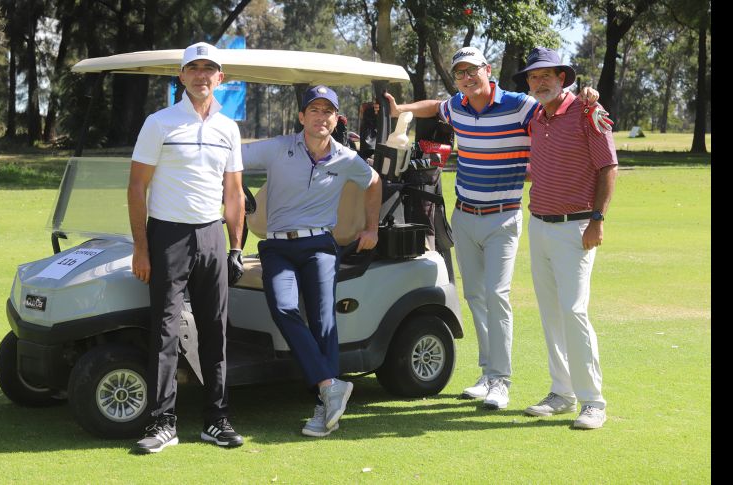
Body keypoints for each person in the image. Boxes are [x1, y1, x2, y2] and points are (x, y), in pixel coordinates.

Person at [384, 46, 599, 411]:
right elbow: (435, 106)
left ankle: (501, 381)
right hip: (465, 216)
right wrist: (401, 109)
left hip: (505, 216)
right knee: (475, 297)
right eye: (460, 73)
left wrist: (586, 95)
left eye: (473, 71)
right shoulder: (458, 106)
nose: (467, 78)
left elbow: (557, 107)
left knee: (497, 295)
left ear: (488, 71)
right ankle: (488, 373)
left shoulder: (520, 105)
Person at [241, 85, 381, 437]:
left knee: (323, 320)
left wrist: (372, 227)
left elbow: (374, 181)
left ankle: (324, 406)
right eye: (314, 111)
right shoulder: (278, 148)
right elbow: (232, 157)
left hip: (319, 244)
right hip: (276, 247)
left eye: (328, 111)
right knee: (284, 308)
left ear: (336, 119)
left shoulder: (346, 158)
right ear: (302, 117)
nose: (321, 117)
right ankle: (330, 386)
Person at [128, 41, 246, 453]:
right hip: (167, 236)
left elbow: (234, 194)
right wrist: (141, 248)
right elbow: (137, 187)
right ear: (181, 76)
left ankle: (216, 419)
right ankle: (162, 423)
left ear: (220, 78)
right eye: (192, 68)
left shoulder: (228, 128)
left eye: (208, 69)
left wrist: (235, 246)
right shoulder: (159, 123)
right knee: (165, 329)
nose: (201, 75)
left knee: (215, 329)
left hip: (212, 235)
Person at [514, 47, 617, 429]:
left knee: (574, 311)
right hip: (539, 224)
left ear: (563, 78)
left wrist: (598, 219)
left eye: (546, 76)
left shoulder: (589, 111)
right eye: (533, 77)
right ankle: (562, 392)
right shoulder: (537, 116)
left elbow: (607, 167)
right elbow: (546, 164)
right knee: (551, 313)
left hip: (576, 226)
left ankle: (593, 401)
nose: (539, 82)